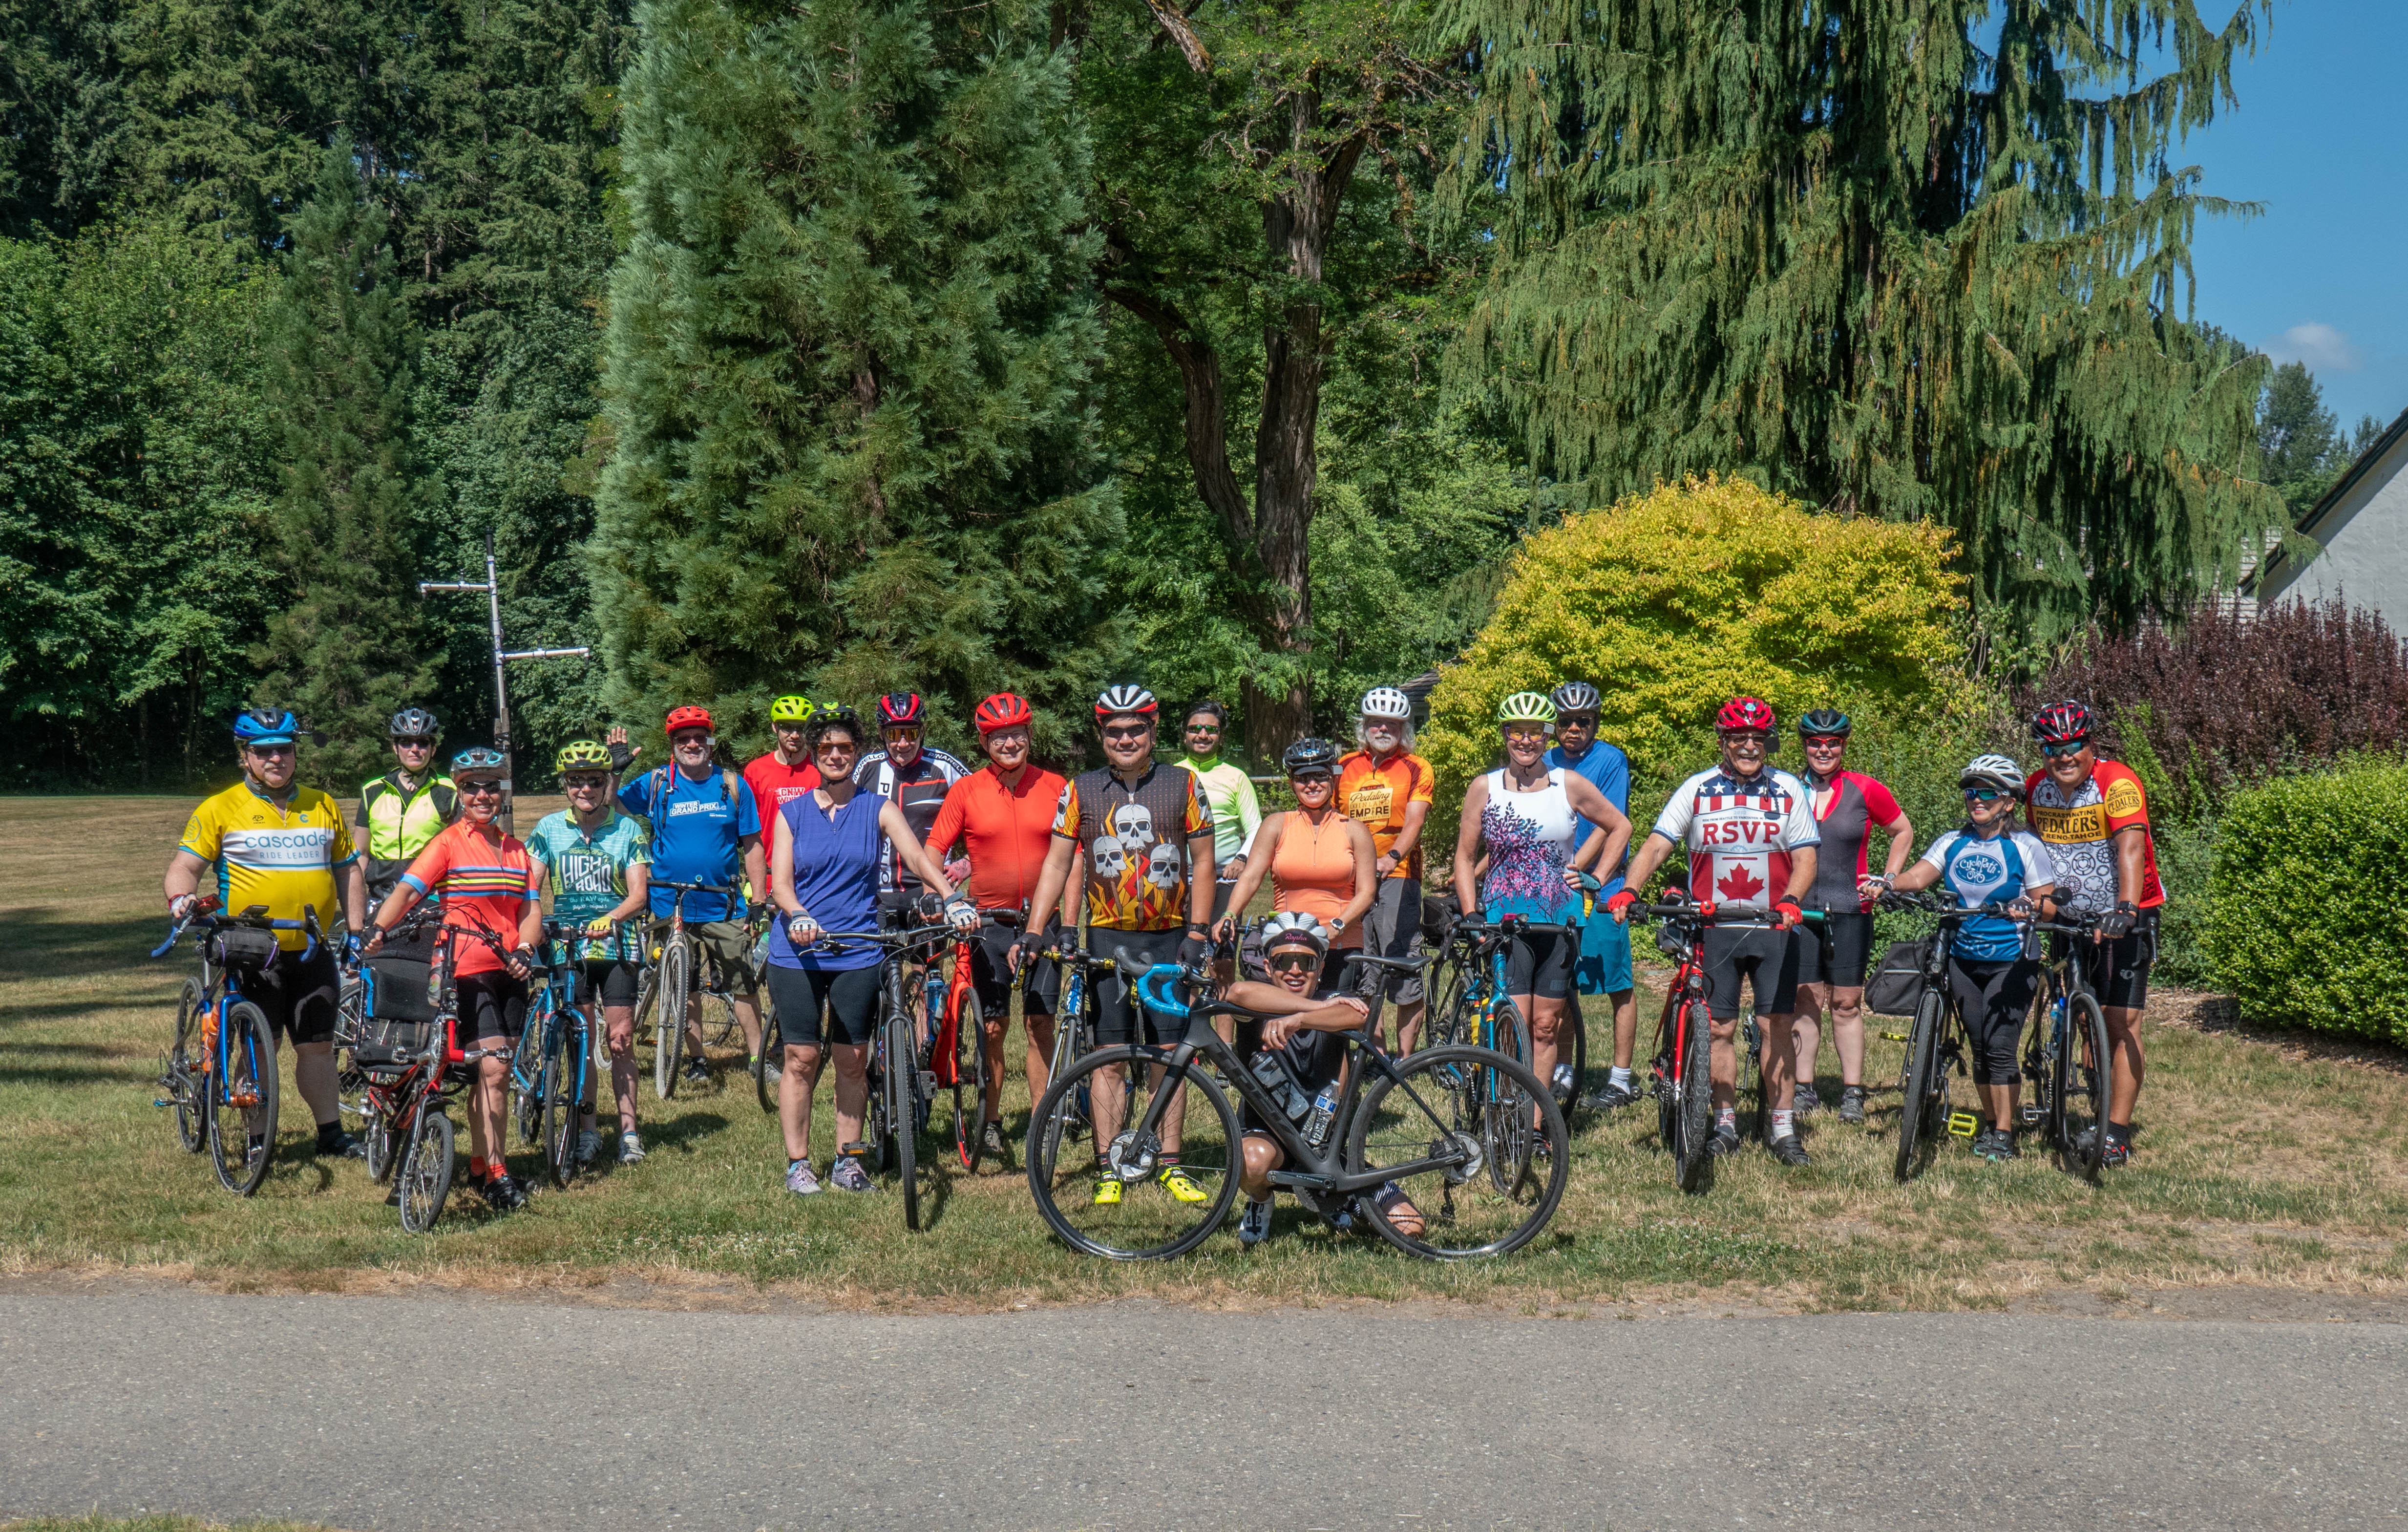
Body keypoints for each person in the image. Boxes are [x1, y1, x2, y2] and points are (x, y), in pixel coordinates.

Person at [1009, 684, 1216, 1208]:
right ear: (1101, 736)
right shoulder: (1080, 789)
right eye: (1114, 731)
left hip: (1170, 935)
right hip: (1107, 934)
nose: (1126, 738)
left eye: (1136, 729)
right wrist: (1037, 928)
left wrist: (1197, 931)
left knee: (1171, 1056)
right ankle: (1110, 1164)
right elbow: (1056, 863)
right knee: (1109, 1057)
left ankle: (1169, 1162)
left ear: (1153, 731)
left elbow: (1205, 862)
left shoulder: (1183, 783)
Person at [765, 706, 978, 1195]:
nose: (836, 755)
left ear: (856, 753)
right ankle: (798, 1162)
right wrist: (798, 914)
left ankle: (848, 1159)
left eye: (844, 748)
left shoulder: (877, 808)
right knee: (800, 1055)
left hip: (858, 946)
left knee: (853, 1057)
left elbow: (918, 856)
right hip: (799, 951)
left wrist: (950, 898)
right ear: (814, 755)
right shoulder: (792, 812)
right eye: (826, 749)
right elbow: (780, 884)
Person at [1607, 697, 1821, 1166]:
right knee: (1719, 1027)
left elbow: (1806, 858)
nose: (1749, 746)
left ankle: (1783, 1129)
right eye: (1739, 738)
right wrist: (1629, 888)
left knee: (1776, 1026)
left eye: (1758, 739)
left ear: (1768, 743)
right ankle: (1725, 1123)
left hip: (1773, 925)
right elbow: (1658, 845)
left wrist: (1791, 899)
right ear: (1723, 743)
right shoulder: (1698, 789)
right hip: (1714, 926)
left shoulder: (1788, 789)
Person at [165, 707, 369, 1162]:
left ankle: (331, 1133)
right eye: (264, 752)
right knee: (258, 1044)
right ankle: (258, 1139)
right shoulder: (220, 808)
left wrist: (356, 930)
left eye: (284, 750)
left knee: (318, 1045)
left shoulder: (322, 803)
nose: (276, 759)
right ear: (246, 757)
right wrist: (182, 899)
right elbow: (185, 866)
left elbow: (348, 871)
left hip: (311, 945)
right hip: (251, 947)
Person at [363, 746, 546, 1210]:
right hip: (465, 970)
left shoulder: (517, 850)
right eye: (472, 787)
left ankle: (482, 1166)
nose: (483, 795)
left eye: (491, 786)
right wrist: (378, 929)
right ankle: (500, 1174)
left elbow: (531, 911)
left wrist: (526, 947)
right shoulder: (448, 843)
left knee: (494, 1076)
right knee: (494, 1068)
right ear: (460, 793)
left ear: (502, 793)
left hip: (511, 971)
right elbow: (408, 890)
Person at [1450, 691, 1631, 1126]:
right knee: (1513, 1022)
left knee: (1547, 1025)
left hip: (1559, 917)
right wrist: (1472, 912)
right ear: (1505, 735)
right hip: (1503, 919)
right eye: (1518, 732)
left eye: (1535, 732)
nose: (1527, 741)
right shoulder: (1485, 787)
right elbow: (1463, 856)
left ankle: (1533, 1126)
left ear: (1546, 735)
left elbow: (1619, 825)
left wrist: (1596, 878)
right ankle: (1504, 1112)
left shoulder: (1566, 783)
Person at [922, 691, 1075, 1161]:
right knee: (993, 1028)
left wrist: (1068, 924)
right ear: (985, 743)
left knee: (1040, 1024)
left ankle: (1040, 1121)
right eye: (999, 737)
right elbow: (932, 851)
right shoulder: (966, 791)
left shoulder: (1056, 786)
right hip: (988, 922)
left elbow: (1074, 859)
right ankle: (990, 1120)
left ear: (1029, 735)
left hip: (1041, 922)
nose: (1010, 744)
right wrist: (943, 896)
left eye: (1017, 734)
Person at [1880, 755, 2057, 1162]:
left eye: (1987, 792)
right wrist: (1889, 883)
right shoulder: (1952, 842)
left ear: (2009, 802)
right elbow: (1919, 876)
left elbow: (2047, 905)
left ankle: (2005, 1133)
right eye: (1971, 792)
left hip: (2012, 957)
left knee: (1999, 1045)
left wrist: (2027, 907)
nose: (1976, 800)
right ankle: (1993, 1121)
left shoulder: (2025, 845)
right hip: (1963, 957)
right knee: (1979, 1044)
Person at [2023, 700, 2165, 1168]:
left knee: (2121, 1020)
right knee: (2085, 1015)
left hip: (2125, 913)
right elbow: (2029, 849)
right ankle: (2088, 1087)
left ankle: (2116, 1134)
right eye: (2053, 748)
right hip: (2067, 915)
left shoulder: (2118, 783)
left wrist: (2124, 909)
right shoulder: (2034, 789)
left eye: (2074, 746)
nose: (2064, 756)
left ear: (2092, 745)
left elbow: (2131, 846)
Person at [1226, 912, 1424, 1246]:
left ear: (1320, 968)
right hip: (1267, 1137)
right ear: (1268, 967)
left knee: (1411, 1227)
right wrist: (1305, 1012)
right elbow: (1237, 993)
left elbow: (1357, 1013)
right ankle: (1261, 1201)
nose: (1294, 971)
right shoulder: (1257, 1004)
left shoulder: (1333, 1003)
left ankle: (1328, 1197)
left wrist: (1300, 1019)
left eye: (1306, 962)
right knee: (1252, 1161)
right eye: (1284, 961)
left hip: (1324, 1149)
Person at [610, 706, 768, 1085]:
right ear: (673, 745)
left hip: (723, 904)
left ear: (710, 742)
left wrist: (759, 900)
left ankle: (757, 1058)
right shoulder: (657, 783)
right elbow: (608, 807)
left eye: (699, 737)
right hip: (669, 903)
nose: (692, 744)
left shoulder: (732, 784)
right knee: (685, 986)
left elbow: (753, 845)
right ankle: (697, 1059)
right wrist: (616, 773)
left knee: (742, 984)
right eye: (683, 739)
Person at [524, 741, 653, 1167]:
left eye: (594, 781)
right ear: (565, 785)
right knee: (582, 1040)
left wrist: (611, 917)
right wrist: (535, 924)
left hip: (616, 944)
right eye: (576, 781)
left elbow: (639, 896)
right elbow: (531, 889)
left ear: (605, 783)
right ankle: (588, 1131)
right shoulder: (547, 829)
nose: (585, 789)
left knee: (621, 1041)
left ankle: (630, 1134)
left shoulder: (628, 830)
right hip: (569, 946)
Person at [1785, 708, 1913, 1125]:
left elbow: (1902, 830)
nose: (1824, 750)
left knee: (1845, 1003)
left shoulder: (1865, 789)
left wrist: (1889, 878)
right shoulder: (1785, 788)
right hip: (1799, 910)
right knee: (1805, 998)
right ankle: (1803, 1088)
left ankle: (1852, 1092)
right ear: (1804, 746)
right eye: (1815, 743)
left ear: (1843, 746)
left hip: (1850, 908)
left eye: (1833, 743)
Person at [1545, 681, 1642, 1110]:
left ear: (1595, 722)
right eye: (1565, 721)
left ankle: (1621, 1079)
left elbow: (1611, 824)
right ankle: (1564, 1070)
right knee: (1560, 984)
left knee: (1617, 984)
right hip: (1551, 889)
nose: (1573, 729)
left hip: (1600, 884)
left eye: (1583, 721)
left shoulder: (1610, 760)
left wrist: (1586, 875)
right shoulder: (1542, 761)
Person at [1215, 738, 1377, 978]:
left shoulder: (1355, 830)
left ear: (1333, 778)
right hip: (1288, 942)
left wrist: (1336, 927)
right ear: (1292, 783)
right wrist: (1228, 914)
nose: (1312, 784)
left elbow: (1367, 893)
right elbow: (1250, 878)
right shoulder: (1277, 825)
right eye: (1303, 779)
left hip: (1341, 943)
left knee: (1336, 1013)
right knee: (1284, 1015)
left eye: (1320, 776)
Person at [1336, 685, 1436, 1051]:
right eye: (1376, 723)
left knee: (1402, 960)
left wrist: (1390, 858)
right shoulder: (1344, 766)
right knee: (1364, 962)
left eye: (1391, 724)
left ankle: (1406, 1058)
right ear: (1365, 726)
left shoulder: (1416, 767)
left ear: (1403, 729)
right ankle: (1376, 1052)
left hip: (1398, 874)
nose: (1382, 730)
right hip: (1351, 876)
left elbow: (1415, 822)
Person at [853, 692, 972, 915]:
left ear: (923, 731)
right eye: (894, 734)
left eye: (911, 733)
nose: (903, 743)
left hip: (930, 889)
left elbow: (990, 816)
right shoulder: (867, 768)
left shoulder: (944, 765)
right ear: (881, 733)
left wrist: (966, 864)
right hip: (876, 893)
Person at [357, 707, 458, 901]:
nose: (414, 749)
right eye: (406, 742)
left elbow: (458, 853)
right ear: (395, 748)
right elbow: (361, 852)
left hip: (428, 897)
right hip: (380, 895)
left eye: (422, 743)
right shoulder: (373, 790)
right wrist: (355, 896)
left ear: (433, 749)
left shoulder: (449, 791)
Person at [1178, 699, 1263, 921]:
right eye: (1195, 729)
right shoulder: (1170, 775)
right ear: (1184, 734)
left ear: (1221, 736)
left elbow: (1256, 828)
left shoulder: (1236, 777)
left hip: (1226, 876)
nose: (1203, 735)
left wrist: (1242, 859)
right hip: (1180, 877)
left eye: (1211, 730)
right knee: (1182, 951)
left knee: (1222, 950)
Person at [742, 695, 824, 825]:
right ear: (775, 727)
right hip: (770, 846)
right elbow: (749, 824)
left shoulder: (821, 768)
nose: (795, 735)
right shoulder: (755, 771)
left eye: (801, 728)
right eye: (787, 727)